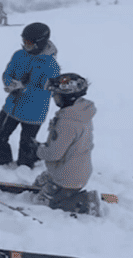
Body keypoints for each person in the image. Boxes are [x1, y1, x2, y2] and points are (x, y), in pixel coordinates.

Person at [0, 22, 60, 168]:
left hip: (34, 112)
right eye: (24, 41)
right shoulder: (19, 55)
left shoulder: (51, 66)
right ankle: (2, 165)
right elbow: (7, 73)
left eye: (29, 43)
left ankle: (25, 168)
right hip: (11, 107)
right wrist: (10, 83)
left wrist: (23, 87)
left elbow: (47, 90)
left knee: (26, 145)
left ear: (40, 43)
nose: (25, 45)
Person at [32, 73, 99, 216]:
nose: (53, 97)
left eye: (56, 94)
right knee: (42, 191)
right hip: (76, 167)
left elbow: (54, 154)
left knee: (45, 203)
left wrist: (37, 150)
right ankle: (54, 180)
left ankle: (87, 201)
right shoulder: (80, 113)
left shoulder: (68, 122)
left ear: (68, 97)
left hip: (69, 177)